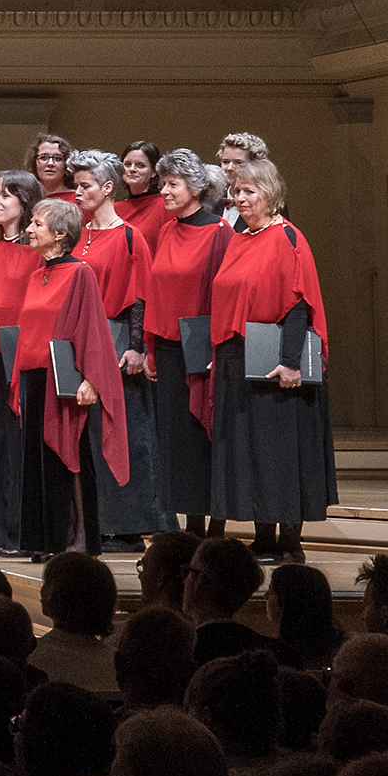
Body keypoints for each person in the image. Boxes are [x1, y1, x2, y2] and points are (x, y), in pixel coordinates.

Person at [210, 157, 334, 563]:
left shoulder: (286, 238)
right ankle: (264, 536)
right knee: (252, 453)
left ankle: (289, 543)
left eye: (250, 192)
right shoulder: (240, 238)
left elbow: (297, 304)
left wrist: (291, 362)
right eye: (237, 192)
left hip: (277, 364)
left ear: (271, 194)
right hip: (239, 358)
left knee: (280, 453)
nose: (240, 199)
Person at [13, 197, 129, 558]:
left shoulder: (80, 273)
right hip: (34, 378)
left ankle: (80, 537)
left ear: (61, 233)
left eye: (37, 224)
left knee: (71, 458)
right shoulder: (36, 274)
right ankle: (49, 539)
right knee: (40, 460)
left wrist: (90, 379)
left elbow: (93, 330)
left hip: (64, 380)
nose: (29, 229)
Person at [70, 149, 167, 547]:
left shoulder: (130, 236)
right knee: (89, 437)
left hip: (117, 341)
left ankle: (128, 528)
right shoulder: (80, 234)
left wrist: (137, 347)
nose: (77, 192)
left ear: (108, 188)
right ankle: (98, 522)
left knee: (123, 435)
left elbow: (141, 294)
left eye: (85, 185)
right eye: (75, 185)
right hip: (83, 344)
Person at [141, 147, 231, 538]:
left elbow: (224, 295)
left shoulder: (219, 232)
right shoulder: (165, 230)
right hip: (166, 345)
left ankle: (214, 526)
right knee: (176, 442)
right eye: (162, 184)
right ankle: (188, 525)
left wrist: (213, 349)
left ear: (195, 187)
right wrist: (148, 347)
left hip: (202, 346)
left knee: (203, 436)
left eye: (172, 184)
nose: (164, 191)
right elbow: (155, 292)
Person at [0, 170, 41, 553]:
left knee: (17, 450)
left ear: (25, 201)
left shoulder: (35, 254)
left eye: (6, 195)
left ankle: (20, 532)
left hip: (23, 359)